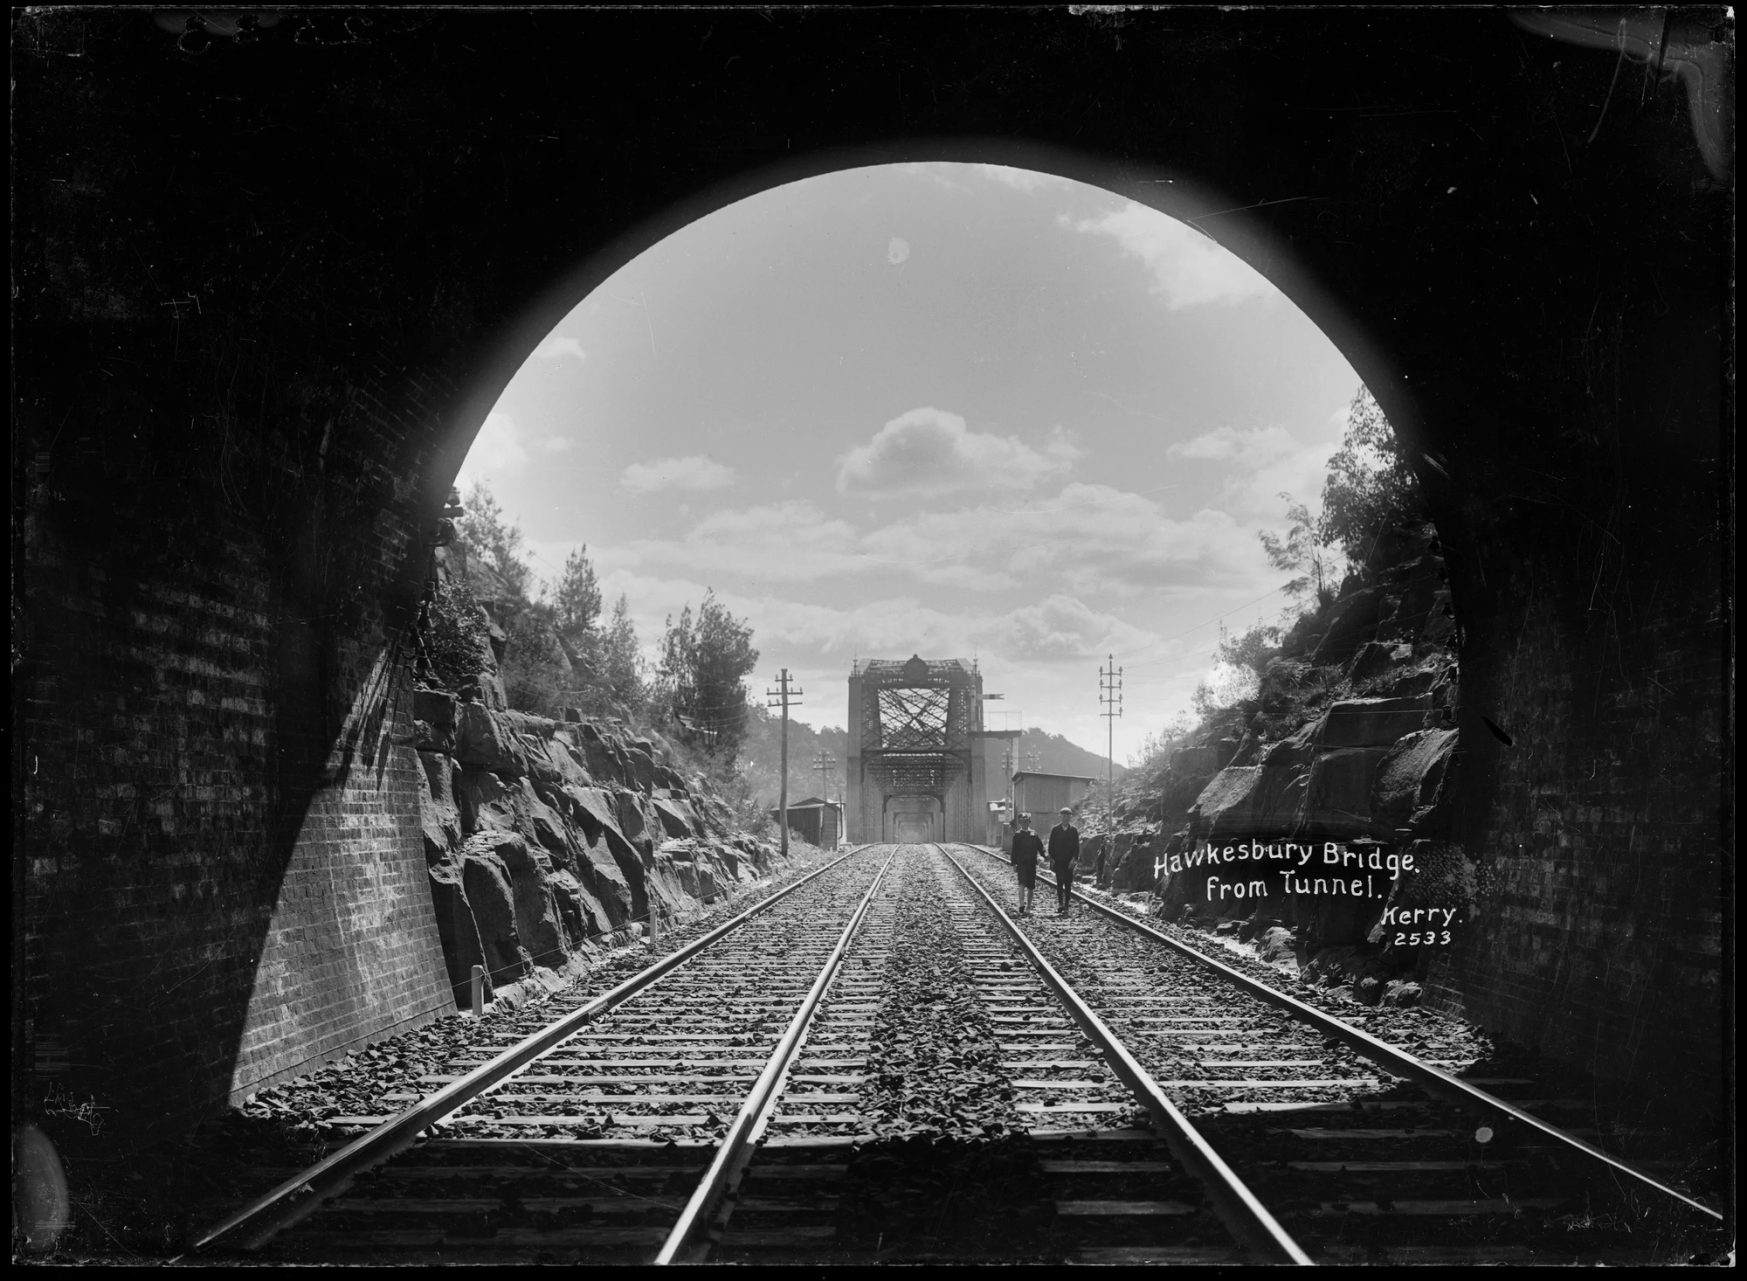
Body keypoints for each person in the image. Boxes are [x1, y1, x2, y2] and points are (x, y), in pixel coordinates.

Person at [1048, 806, 1080, 915]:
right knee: (1059, 882)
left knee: (1068, 883)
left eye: (1068, 816)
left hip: (1069, 861)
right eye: (1063, 816)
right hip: (1058, 860)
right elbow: (1051, 845)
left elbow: (1076, 847)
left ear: (1070, 817)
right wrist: (1051, 858)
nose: (1065, 818)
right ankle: (1060, 903)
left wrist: (1074, 859)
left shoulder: (1073, 831)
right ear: (1060, 817)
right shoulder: (1055, 830)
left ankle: (1066, 905)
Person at [1009, 813, 1044, 916]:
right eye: (1022, 822)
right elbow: (1014, 850)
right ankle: (1021, 904)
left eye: (1026, 821)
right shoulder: (1018, 835)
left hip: (1031, 863)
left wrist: (1045, 856)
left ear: (1029, 822)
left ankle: (1028, 906)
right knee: (1021, 883)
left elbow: (1040, 847)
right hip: (1021, 863)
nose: (1024, 823)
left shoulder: (1034, 834)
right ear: (1020, 823)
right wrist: (1014, 864)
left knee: (1031, 886)